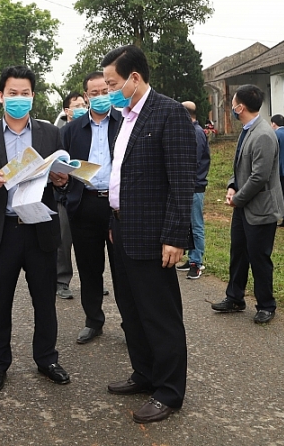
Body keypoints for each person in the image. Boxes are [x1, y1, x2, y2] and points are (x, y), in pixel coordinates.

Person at [101, 46, 194, 424]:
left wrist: (174, 235)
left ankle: (169, 391)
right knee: (131, 311)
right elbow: (123, 173)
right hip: (121, 228)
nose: (109, 90)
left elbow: (182, 181)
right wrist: (112, 219)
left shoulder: (168, 113)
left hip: (154, 234)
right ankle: (145, 373)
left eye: (112, 83)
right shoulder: (124, 118)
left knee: (159, 315)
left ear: (134, 78)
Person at [0, 65, 71, 394]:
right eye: (13, 93)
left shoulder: (48, 133)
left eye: (25, 93)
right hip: (3, 230)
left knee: (44, 299)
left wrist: (61, 179)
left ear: (33, 97)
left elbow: (61, 177)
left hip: (39, 226)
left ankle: (47, 358)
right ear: (1, 96)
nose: (19, 99)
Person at [211, 85, 284, 324]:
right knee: (238, 253)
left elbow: (259, 176)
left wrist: (237, 198)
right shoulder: (247, 130)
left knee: (259, 257)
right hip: (243, 206)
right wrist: (232, 186)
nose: (230, 107)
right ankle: (235, 297)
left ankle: (266, 305)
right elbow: (239, 168)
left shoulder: (263, 134)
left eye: (232, 103)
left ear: (240, 107)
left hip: (260, 208)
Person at [60, 72, 120, 343]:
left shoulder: (124, 123)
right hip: (84, 205)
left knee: (123, 269)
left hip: (117, 206)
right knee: (89, 267)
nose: (99, 97)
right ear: (85, 97)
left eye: (104, 90)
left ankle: (131, 323)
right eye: (93, 93)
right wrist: (65, 194)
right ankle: (93, 320)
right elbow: (60, 171)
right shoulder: (71, 131)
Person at [56, 92, 86, 299]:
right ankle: (61, 281)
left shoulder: (91, 131)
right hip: (63, 196)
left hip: (86, 194)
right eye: (77, 105)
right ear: (67, 111)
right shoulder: (59, 133)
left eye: (84, 104)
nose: (82, 107)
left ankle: (92, 281)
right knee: (63, 240)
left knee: (89, 243)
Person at [177, 100, 210, 279]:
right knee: (188, 224)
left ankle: (196, 263)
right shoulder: (190, 131)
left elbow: (192, 161)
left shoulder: (195, 133)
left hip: (194, 187)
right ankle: (191, 257)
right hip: (188, 186)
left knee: (196, 225)